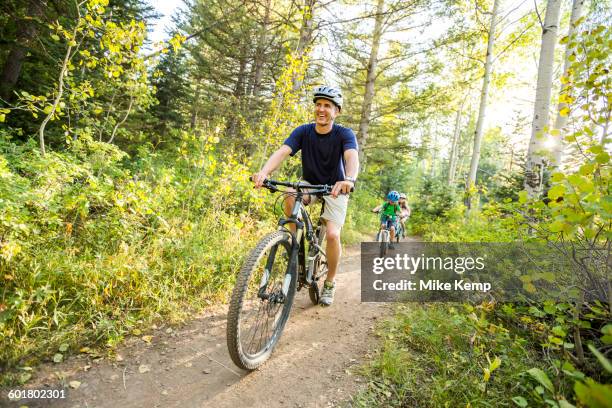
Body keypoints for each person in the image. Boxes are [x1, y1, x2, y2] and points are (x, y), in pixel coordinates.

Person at [252, 85, 359, 306]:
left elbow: (351, 157)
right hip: (310, 184)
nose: (321, 109)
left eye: (327, 106)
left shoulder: (344, 134)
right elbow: (283, 151)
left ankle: (329, 282)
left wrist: (349, 179)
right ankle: (294, 243)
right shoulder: (303, 131)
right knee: (290, 194)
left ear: (336, 111)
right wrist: (264, 172)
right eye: (318, 104)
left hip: (336, 187)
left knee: (331, 235)